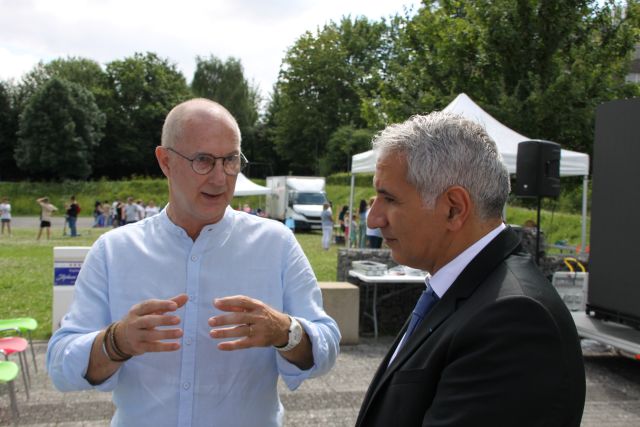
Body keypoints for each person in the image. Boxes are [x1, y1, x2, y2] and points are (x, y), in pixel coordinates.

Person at [47, 98, 340, 426]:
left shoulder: (276, 243)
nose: (220, 177)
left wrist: (287, 332)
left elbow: (327, 344)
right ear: (165, 161)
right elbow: (60, 364)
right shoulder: (114, 251)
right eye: (203, 160)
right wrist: (116, 342)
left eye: (230, 160)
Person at [356, 112, 585, 426]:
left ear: (454, 208)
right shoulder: (467, 290)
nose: (373, 219)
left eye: (389, 198)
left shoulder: (514, 321)